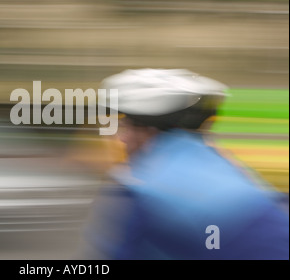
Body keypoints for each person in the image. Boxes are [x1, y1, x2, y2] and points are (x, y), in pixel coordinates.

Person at [80, 68, 289, 260]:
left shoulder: (140, 185)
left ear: (148, 131)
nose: (122, 139)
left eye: (125, 128)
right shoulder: (224, 165)